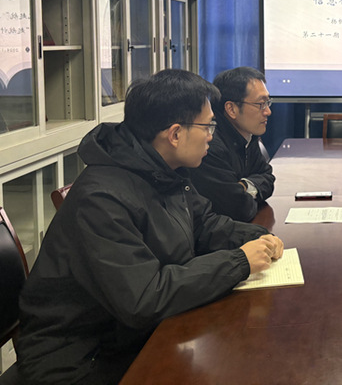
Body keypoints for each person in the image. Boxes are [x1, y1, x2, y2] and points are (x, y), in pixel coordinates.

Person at [15, 69, 284, 384]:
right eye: (208, 126)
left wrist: (261, 237)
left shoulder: (163, 169)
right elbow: (145, 297)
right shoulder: (102, 198)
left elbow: (205, 224)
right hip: (81, 360)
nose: (213, 135)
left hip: (130, 335)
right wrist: (239, 261)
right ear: (175, 134)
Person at [188, 67, 276, 221]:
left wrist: (245, 187)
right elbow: (238, 209)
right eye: (261, 104)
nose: (268, 111)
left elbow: (268, 177)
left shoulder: (248, 135)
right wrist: (251, 191)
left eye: (268, 102)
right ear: (231, 109)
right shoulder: (209, 146)